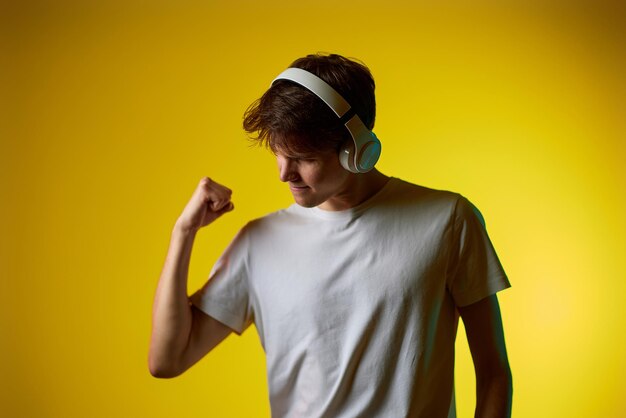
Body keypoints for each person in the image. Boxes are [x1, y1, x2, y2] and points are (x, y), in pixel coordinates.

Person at [149, 53, 513, 418]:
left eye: (303, 157)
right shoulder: (259, 243)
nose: (284, 174)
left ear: (356, 148)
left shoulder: (448, 220)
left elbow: (493, 373)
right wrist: (183, 233)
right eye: (278, 153)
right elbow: (167, 360)